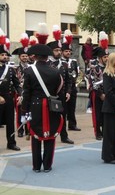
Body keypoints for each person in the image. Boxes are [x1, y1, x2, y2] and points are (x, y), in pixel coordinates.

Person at [21, 44, 64, 172]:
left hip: (35, 106)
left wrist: (24, 110)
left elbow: (26, 93)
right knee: (51, 135)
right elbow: (58, 91)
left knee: (35, 135)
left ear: (35, 56)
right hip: (51, 106)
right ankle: (47, 165)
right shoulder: (56, 71)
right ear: (46, 57)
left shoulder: (29, 71)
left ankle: (36, 166)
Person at [47, 39, 74, 144]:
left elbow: (68, 80)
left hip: (62, 95)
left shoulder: (64, 64)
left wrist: (68, 92)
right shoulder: (47, 64)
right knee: (50, 116)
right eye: (56, 50)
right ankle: (50, 135)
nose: (58, 52)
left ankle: (64, 136)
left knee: (63, 116)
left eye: (59, 50)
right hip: (50, 95)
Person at [0, 43, 22, 150]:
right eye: (2, 54)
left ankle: (11, 143)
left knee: (10, 122)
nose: (5, 56)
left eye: (6, 55)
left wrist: (20, 95)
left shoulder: (9, 69)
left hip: (8, 98)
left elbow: (17, 84)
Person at [61, 39, 81, 131]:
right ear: (62, 52)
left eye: (69, 51)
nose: (68, 53)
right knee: (63, 109)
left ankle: (72, 124)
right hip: (63, 88)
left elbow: (76, 73)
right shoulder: (60, 62)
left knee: (72, 107)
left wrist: (75, 82)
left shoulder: (73, 62)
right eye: (66, 51)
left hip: (72, 87)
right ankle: (62, 126)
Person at [88, 47, 108, 140]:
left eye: (107, 56)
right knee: (97, 114)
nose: (106, 59)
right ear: (100, 58)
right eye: (104, 57)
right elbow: (93, 82)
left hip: (107, 93)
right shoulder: (95, 68)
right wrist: (100, 94)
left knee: (105, 114)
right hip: (96, 94)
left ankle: (105, 131)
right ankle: (97, 132)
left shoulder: (109, 68)